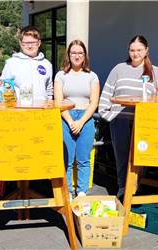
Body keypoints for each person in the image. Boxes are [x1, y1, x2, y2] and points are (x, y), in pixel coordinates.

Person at [98, 35, 158, 200]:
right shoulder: (119, 69)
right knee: (122, 157)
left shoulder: (156, 72)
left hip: (144, 123)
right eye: (132, 50)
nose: (135, 54)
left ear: (146, 50)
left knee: (141, 157)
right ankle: (123, 187)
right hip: (120, 121)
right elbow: (107, 93)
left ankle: (137, 187)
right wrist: (109, 115)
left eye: (139, 50)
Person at [54, 40, 100, 200]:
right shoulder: (60, 75)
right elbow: (58, 101)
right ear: (68, 55)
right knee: (66, 159)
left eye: (80, 53)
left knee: (83, 159)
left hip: (86, 119)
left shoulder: (92, 76)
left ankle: (81, 193)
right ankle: (67, 195)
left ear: (84, 55)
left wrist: (80, 122)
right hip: (66, 118)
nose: (77, 56)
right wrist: (70, 121)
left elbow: (94, 102)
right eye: (73, 53)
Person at [0, 26, 53, 101]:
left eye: (33, 42)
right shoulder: (11, 63)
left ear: (39, 43)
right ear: (21, 44)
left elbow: (49, 90)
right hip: (19, 110)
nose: (30, 46)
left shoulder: (47, 64)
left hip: (42, 110)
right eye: (26, 43)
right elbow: (2, 88)